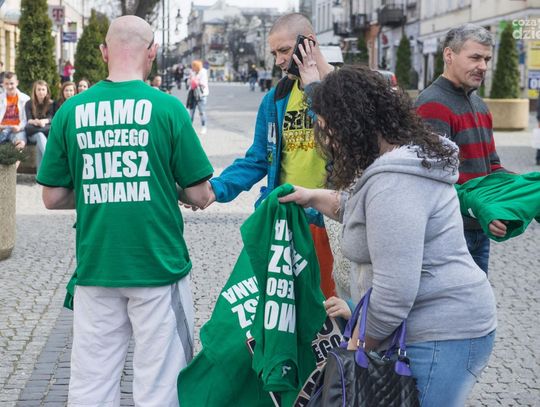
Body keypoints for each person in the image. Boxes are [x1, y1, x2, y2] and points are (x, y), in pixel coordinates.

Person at [279, 63, 497, 406]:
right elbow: (362, 212)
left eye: (328, 130)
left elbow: (394, 293)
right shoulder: (396, 161)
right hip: (434, 327)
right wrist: (311, 196)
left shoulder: (393, 183)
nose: (328, 142)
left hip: (440, 333)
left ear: (351, 124)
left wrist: (356, 346)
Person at [36, 15, 214, 406]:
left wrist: (96, 187)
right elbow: (200, 194)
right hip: (158, 265)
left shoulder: (71, 110)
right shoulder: (167, 109)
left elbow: (52, 197)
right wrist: (163, 187)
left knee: (91, 383)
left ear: (104, 52)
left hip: (97, 265)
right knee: (162, 384)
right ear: (153, 52)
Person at [205, 13, 337, 298]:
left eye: (284, 50)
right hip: (287, 219)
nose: (278, 60)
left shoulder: (343, 88)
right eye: (274, 53)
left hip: (330, 220)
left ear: (309, 43)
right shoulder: (276, 98)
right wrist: (216, 189)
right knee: (284, 308)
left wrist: (313, 88)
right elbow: (257, 158)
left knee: (329, 307)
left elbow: (349, 144)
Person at [415, 24, 507, 274]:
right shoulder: (432, 105)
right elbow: (432, 182)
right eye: (475, 57)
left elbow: (492, 167)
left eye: (487, 59)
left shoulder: (480, 105)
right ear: (449, 55)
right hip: (448, 232)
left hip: (478, 228)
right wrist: (481, 208)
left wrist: (524, 189)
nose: (483, 66)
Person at [24, 80, 54, 171]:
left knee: (39, 145)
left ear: (47, 91)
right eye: (39, 89)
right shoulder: (29, 103)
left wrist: (44, 121)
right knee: (40, 136)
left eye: (43, 89)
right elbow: (29, 119)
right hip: (34, 133)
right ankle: (50, 161)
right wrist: (36, 122)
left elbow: (52, 118)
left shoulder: (51, 103)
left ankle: (39, 175)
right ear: (35, 91)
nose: (41, 92)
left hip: (46, 133)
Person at [0, 72, 29, 149]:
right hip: (2, 129)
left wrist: (19, 127)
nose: (9, 86)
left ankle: (17, 157)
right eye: (6, 84)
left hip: (17, 129)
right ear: (3, 84)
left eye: (12, 83)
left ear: (17, 83)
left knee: (20, 143)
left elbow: (26, 119)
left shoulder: (25, 99)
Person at [189, 60, 209, 134]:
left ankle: (204, 127)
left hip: (201, 94)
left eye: (193, 66)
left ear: (196, 66)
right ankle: (189, 128)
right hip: (193, 94)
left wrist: (194, 80)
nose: (192, 68)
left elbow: (203, 83)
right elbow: (189, 83)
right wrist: (191, 80)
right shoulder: (192, 72)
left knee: (202, 112)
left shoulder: (203, 72)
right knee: (191, 111)